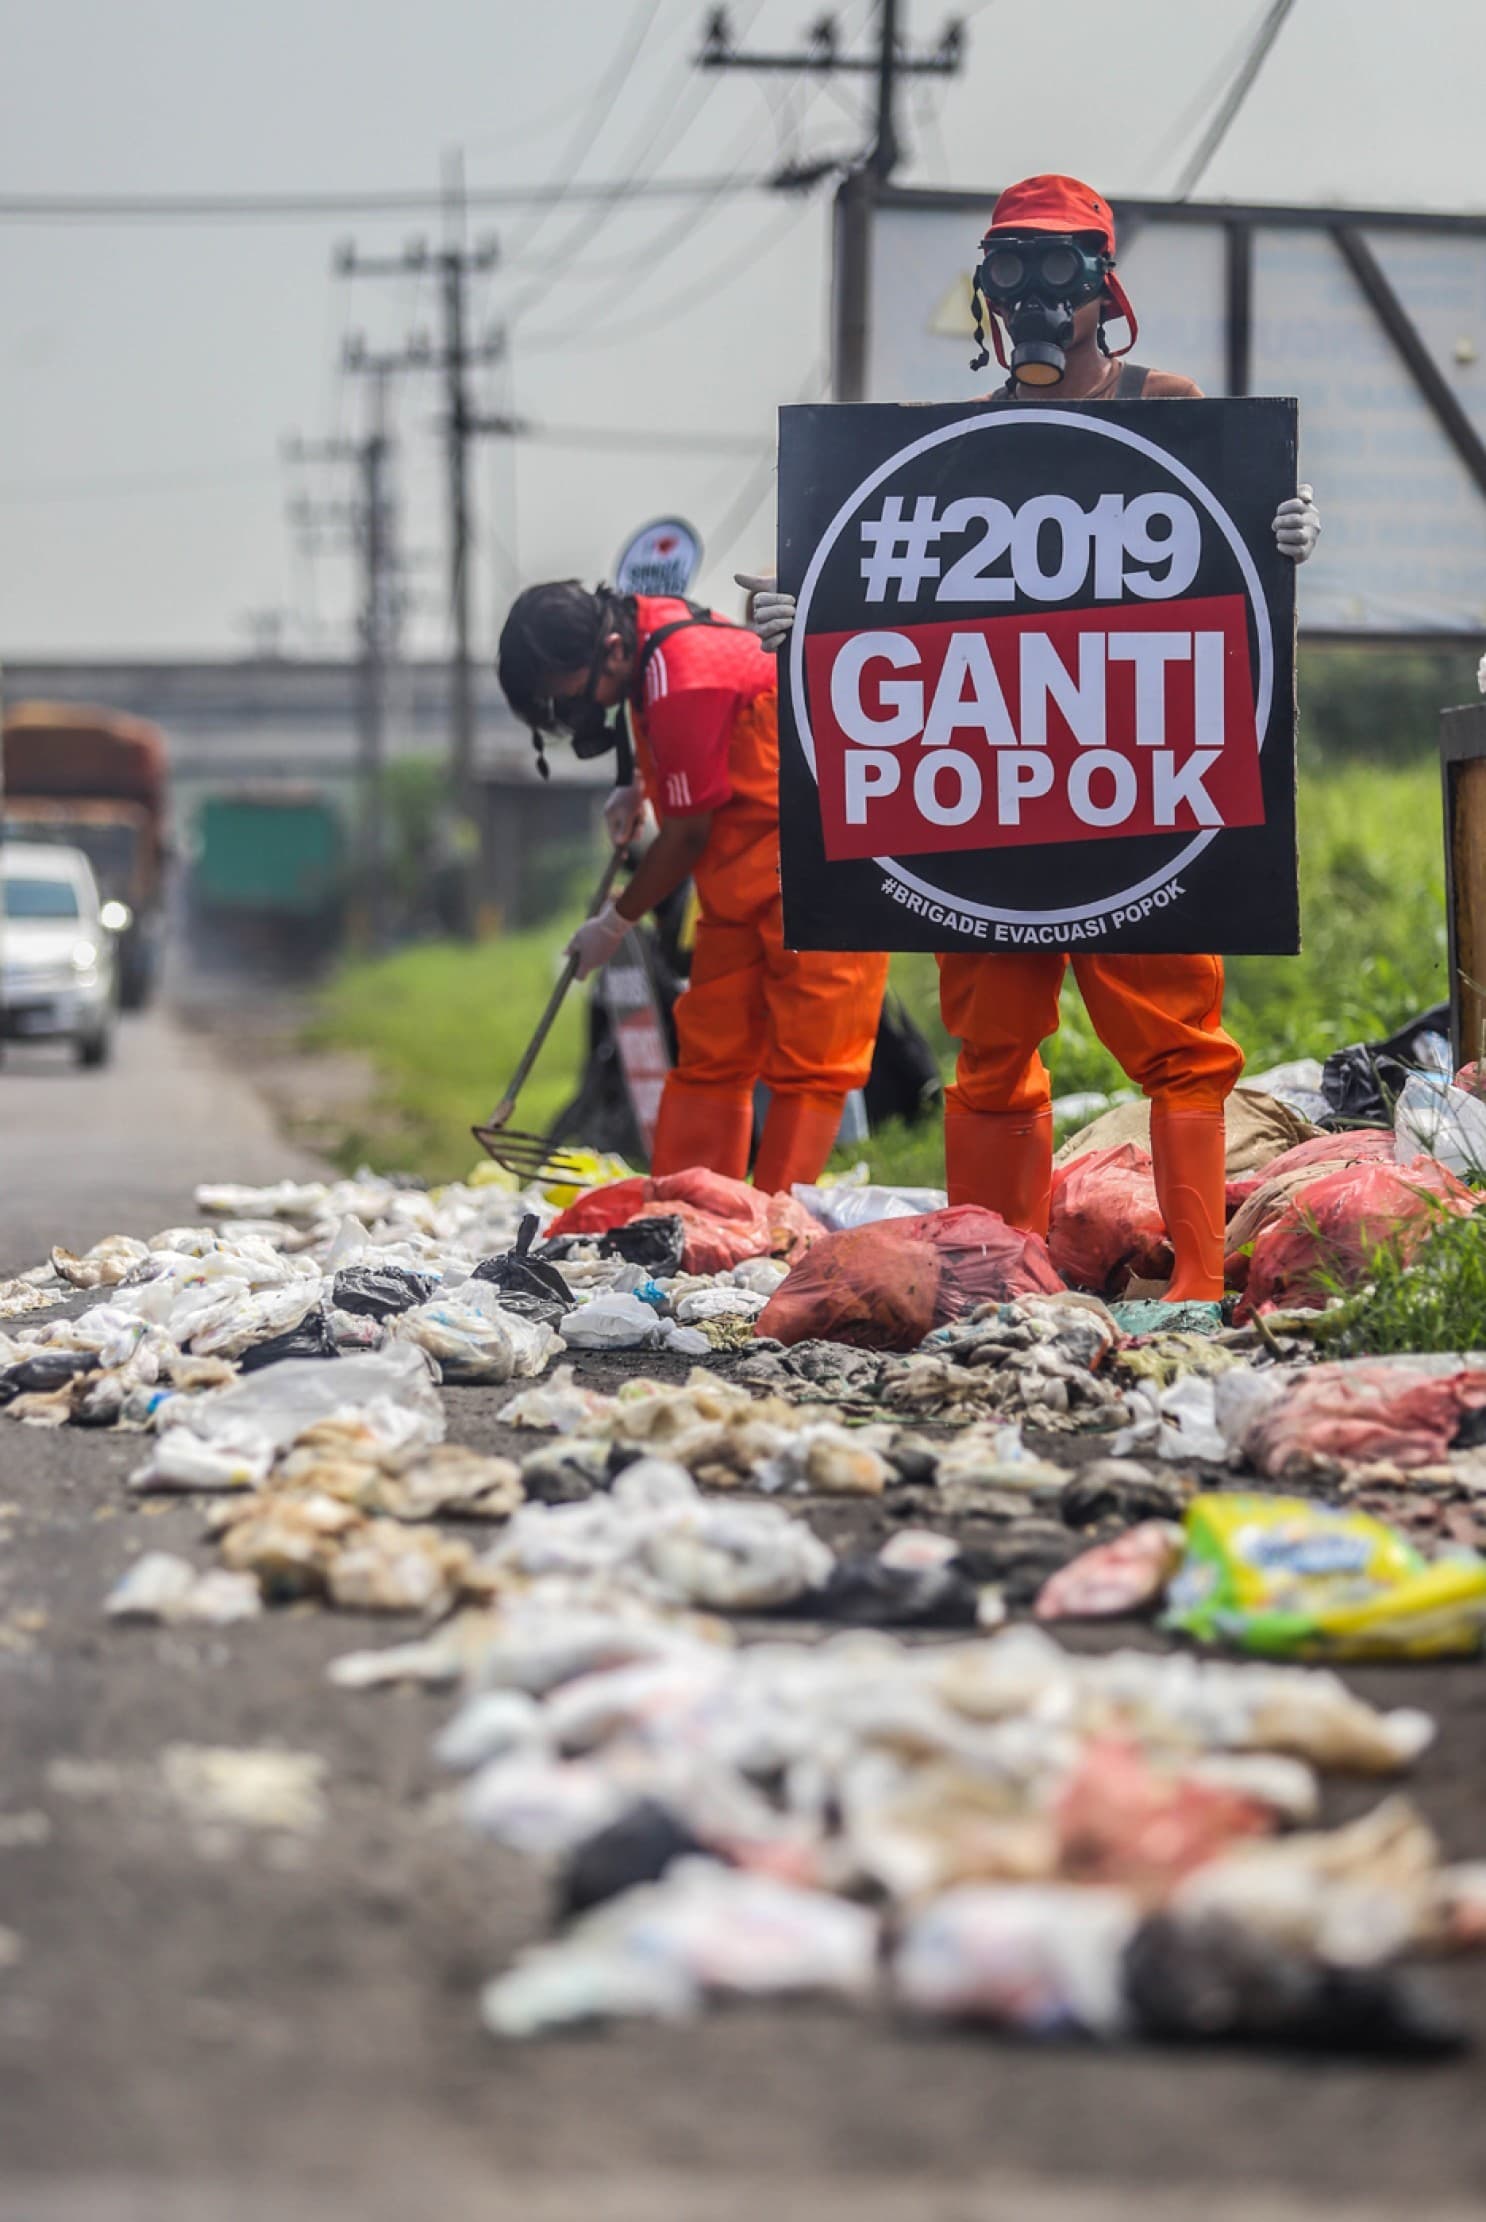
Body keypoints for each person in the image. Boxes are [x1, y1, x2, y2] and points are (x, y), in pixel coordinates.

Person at [746, 173, 1322, 1309]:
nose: (1036, 302)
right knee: (992, 1046)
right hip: (993, 800)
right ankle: (994, 1280)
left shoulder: (1169, 403)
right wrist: (801, 617)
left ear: (1103, 285)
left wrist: (1277, 535)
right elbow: (898, 599)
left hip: (1137, 792)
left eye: (1060, 268)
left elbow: (1217, 570)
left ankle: (1197, 1283)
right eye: (1010, 270)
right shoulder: (959, 444)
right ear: (987, 295)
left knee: (1179, 1041)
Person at [496, 582, 889, 1191]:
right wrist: (640, 785)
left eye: (574, 701)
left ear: (614, 649)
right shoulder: (647, 631)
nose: (579, 718)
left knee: (812, 1062)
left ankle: (772, 1228)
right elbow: (686, 742)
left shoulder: (682, 675)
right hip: (738, 884)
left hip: (817, 874)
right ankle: (691, 1211)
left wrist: (615, 923)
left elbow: (685, 838)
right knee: (711, 1051)